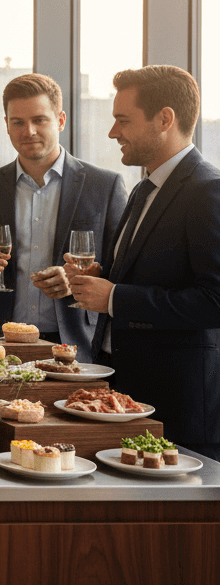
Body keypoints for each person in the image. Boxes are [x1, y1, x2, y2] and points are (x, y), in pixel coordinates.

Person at [69, 65, 220, 459]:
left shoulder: (209, 190)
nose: (112, 132)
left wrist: (114, 297)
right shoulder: (142, 189)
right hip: (124, 396)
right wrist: (99, 279)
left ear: (165, 119)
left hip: (179, 410)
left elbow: (214, 301)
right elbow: (146, 276)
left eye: (123, 120)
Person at [0, 74, 126, 355]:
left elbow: (122, 270)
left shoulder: (104, 185)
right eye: (17, 122)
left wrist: (79, 280)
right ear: (6, 125)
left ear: (61, 120)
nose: (28, 131)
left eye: (39, 120)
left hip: (76, 345)